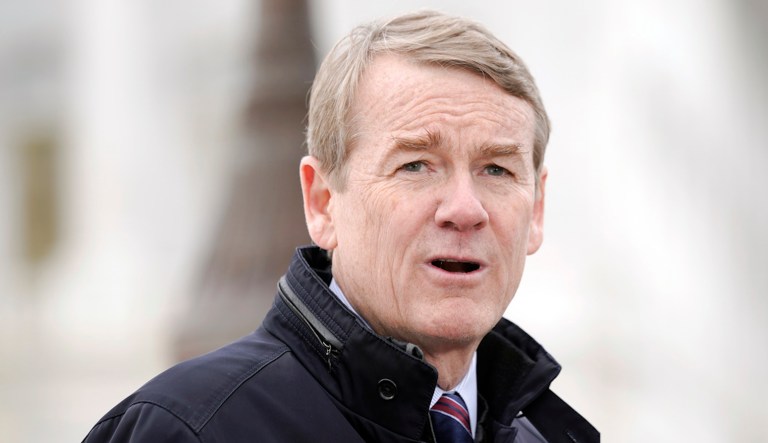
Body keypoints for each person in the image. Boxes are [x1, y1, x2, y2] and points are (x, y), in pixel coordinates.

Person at [83, 10, 599, 443]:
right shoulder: (188, 430)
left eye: (497, 170)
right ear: (323, 202)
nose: (464, 209)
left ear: (536, 211)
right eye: (416, 165)